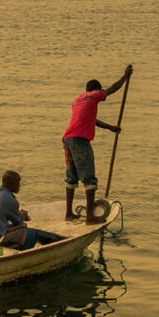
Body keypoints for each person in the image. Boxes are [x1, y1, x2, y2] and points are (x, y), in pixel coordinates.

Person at [64, 65, 132, 222]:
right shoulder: (93, 95)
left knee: (71, 178)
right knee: (89, 178)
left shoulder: (78, 101)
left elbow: (90, 121)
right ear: (96, 90)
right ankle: (89, 216)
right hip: (80, 141)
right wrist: (125, 76)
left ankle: (68, 214)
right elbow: (111, 90)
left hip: (67, 140)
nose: (102, 96)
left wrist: (111, 128)